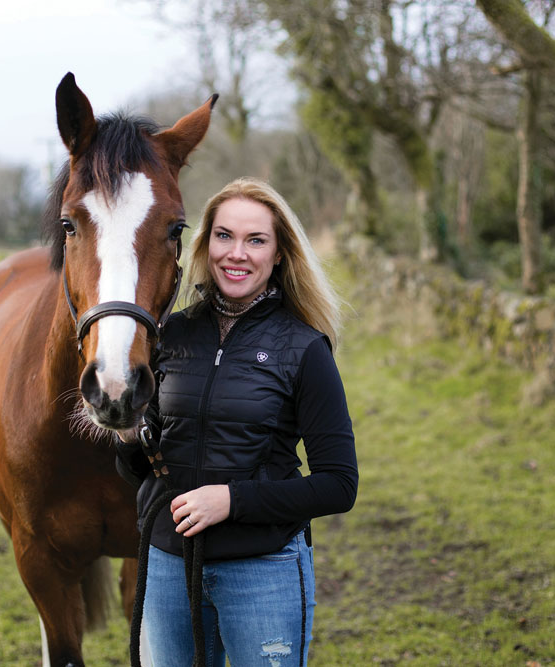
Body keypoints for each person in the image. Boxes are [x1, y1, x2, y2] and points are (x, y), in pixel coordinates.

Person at [115, 177, 358, 667]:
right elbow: (145, 469)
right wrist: (126, 437)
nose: (237, 254)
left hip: (263, 570)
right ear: (204, 245)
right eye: (224, 236)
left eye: (256, 240)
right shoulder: (170, 335)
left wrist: (231, 500)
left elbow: (339, 485)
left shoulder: (304, 348)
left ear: (280, 254)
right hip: (167, 566)